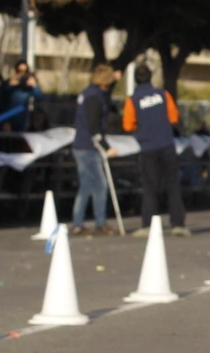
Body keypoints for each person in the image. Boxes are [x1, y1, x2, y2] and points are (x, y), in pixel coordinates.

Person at [122, 65, 187, 236]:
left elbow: (127, 125)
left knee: (150, 187)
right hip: (167, 144)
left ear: (135, 79)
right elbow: (174, 118)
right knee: (173, 184)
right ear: (150, 77)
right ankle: (178, 224)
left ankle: (147, 225)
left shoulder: (133, 100)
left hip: (147, 148)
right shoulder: (163, 94)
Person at [71, 63, 118, 237]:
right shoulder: (94, 97)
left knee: (86, 185)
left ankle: (78, 222)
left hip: (82, 144)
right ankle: (99, 222)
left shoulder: (88, 93)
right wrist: (106, 147)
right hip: (88, 147)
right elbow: (94, 126)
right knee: (99, 185)